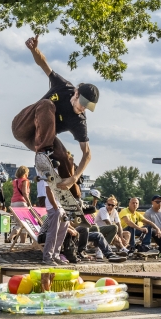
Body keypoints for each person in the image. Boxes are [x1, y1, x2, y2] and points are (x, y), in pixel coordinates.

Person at [11, 35, 99, 201]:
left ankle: (75, 198)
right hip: (22, 125)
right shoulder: (63, 86)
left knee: (65, 157)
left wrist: (74, 178)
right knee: (47, 104)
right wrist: (34, 49)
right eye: (82, 103)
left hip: (36, 140)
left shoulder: (79, 121)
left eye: (87, 107)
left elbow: (87, 153)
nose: (83, 108)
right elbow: (44, 65)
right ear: (76, 93)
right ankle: (45, 152)